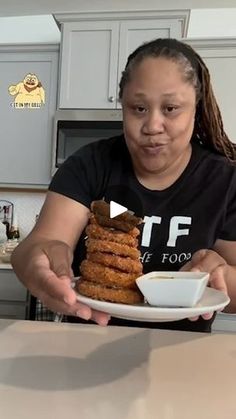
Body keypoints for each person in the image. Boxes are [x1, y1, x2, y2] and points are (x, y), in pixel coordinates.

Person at [11, 38, 236, 332]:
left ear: (196, 108)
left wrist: (220, 277)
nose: (153, 125)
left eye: (170, 108)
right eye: (138, 108)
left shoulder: (223, 180)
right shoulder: (89, 165)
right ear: (123, 107)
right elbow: (37, 246)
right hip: (83, 344)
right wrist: (39, 263)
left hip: (181, 355)